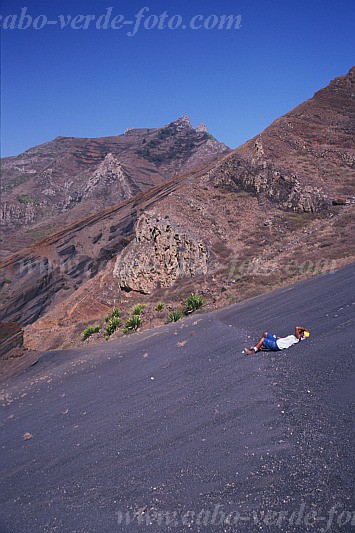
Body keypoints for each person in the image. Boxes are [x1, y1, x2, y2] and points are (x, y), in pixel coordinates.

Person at [244, 326, 310, 355]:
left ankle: (253, 351)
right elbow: (287, 340)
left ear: (302, 334)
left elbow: (297, 327)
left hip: (277, 345)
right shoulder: (295, 337)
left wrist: (304, 329)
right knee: (265, 333)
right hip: (278, 341)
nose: (299, 332)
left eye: (301, 332)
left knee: (263, 339)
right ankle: (257, 347)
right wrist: (281, 338)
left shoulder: (297, 338)